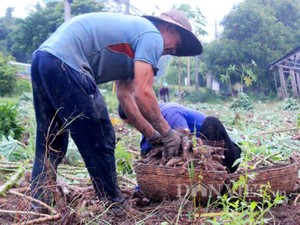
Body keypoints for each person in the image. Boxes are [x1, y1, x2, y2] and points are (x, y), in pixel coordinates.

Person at [30, 9, 203, 212]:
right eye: (178, 43)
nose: (174, 51)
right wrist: (168, 133)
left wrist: (151, 134)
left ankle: (39, 203)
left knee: (51, 142)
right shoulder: (152, 35)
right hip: (67, 62)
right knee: (101, 137)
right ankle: (114, 205)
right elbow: (144, 93)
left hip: (43, 59)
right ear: (167, 27)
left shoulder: (135, 41)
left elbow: (125, 96)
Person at [118, 102, 241, 173]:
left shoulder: (169, 113)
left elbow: (186, 146)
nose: (137, 127)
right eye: (131, 125)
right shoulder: (146, 135)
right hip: (196, 166)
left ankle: (217, 178)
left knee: (212, 122)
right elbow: (147, 161)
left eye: (135, 122)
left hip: (227, 157)